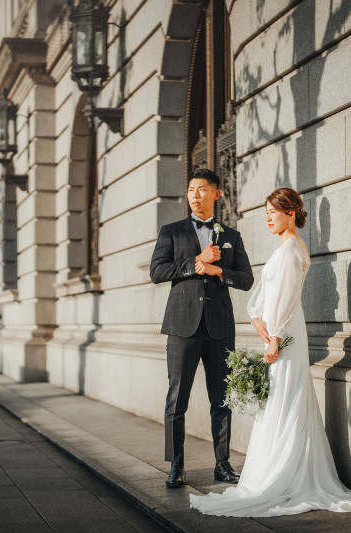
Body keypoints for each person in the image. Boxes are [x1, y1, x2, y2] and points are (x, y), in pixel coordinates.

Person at [189, 188, 351, 516]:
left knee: (286, 400)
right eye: (266, 212)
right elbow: (265, 293)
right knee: (279, 400)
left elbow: (286, 297)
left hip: (286, 336)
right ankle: (274, 472)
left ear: (291, 214)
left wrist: (275, 337)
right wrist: (256, 317)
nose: (268, 217)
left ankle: (286, 476)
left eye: (273, 212)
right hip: (280, 333)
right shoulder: (284, 249)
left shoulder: (292, 249)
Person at [150, 168, 254, 489]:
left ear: (216, 194)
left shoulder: (231, 236)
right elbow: (157, 271)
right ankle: (176, 465)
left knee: (222, 398)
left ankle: (222, 464)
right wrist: (195, 263)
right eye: (191, 190)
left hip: (220, 327)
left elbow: (246, 279)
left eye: (202, 190)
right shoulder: (172, 231)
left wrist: (216, 269)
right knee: (176, 399)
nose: (195, 196)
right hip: (182, 325)